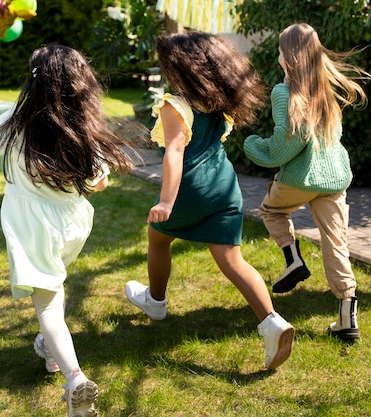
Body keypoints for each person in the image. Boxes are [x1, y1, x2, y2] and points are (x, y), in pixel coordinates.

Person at [0, 45, 134, 417]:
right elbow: (100, 183)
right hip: (71, 224)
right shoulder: (83, 123)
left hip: (32, 226)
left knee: (49, 303)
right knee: (54, 285)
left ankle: (75, 378)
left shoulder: (17, 117)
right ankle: (49, 350)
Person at [124, 31, 295, 370]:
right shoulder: (218, 102)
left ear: (179, 69)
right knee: (233, 261)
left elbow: (174, 152)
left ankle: (156, 301)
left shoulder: (176, 104)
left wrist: (167, 202)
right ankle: (272, 322)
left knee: (158, 238)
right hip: (225, 186)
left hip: (191, 189)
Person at [243, 23, 371, 343]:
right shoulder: (325, 89)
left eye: (279, 50)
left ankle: (293, 259)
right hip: (334, 178)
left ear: (288, 56)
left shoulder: (283, 91)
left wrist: (251, 145)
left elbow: (285, 146)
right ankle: (347, 318)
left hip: (302, 177)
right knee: (335, 242)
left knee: (271, 211)